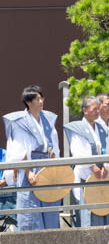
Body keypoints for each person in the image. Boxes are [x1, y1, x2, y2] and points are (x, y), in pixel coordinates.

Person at [3, 86, 62, 231]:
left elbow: (54, 145)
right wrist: (28, 170)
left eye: (42, 98)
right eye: (37, 99)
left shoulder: (48, 118)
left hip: (47, 168)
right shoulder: (19, 122)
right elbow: (19, 149)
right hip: (29, 168)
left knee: (50, 207)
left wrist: (54, 165)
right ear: (28, 102)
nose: (41, 101)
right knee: (31, 209)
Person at [66, 96, 109, 227]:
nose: (97, 111)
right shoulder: (78, 128)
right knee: (88, 213)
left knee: (104, 209)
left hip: (102, 175)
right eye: (94, 109)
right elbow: (78, 151)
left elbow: (107, 148)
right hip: (86, 175)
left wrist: (105, 164)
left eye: (98, 109)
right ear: (84, 110)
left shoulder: (101, 128)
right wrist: (93, 166)